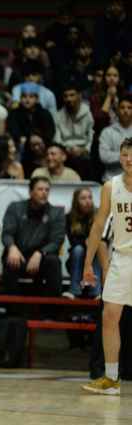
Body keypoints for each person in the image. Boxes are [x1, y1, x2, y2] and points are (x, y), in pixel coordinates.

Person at [81, 137, 132, 395]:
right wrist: (88, 263)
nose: (129, 159)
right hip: (122, 258)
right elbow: (98, 226)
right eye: (125, 154)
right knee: (109, 316)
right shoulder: (110, 187)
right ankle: (111, 379)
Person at [1, 177, 65, 297]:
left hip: (42, 256)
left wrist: (40, 253)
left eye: (47, 190)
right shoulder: (15, 207)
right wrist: (12, 247)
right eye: (40, 189)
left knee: (53, 261)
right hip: (19, 254)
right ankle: (11, 305)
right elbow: (7, 233)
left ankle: (53, 306)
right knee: (11, 259)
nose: (44, 193)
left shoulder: (57, 212)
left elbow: (57, 240)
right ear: (31, 192)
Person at [64, 187, 101, 299]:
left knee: (96, 249)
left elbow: (102, 239)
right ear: (76, 201)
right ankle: (74, 290)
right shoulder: (69, 218)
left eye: (90, 197)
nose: (87, 201)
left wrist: (91, 243)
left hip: (95, 259)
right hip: (77, 259)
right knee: (78, 249)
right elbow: (74, 241)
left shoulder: (99, 215)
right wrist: (87, 241)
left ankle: (96, 292)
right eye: (83, 198)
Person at [99, 94, 132, 181]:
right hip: (111, 179)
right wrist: (127, 155)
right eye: (122, 107)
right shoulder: (107, 132)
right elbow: (104, 156)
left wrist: (117, 155)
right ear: (117, 110)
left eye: (129, 108)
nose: (125, 110)